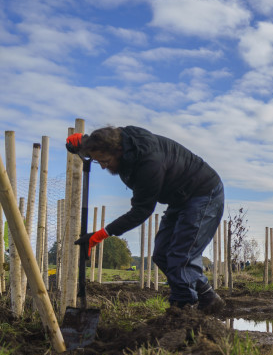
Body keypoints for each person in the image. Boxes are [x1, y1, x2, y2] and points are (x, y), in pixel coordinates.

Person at [67, 126, 225, 312]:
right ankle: (208, 297)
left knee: (181, 256)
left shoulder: (148, 163)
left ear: (118, 151)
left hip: (204, 193)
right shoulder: (121, 141)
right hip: (180, 198)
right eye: (98, 161)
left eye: (105, 161)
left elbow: (141, 211)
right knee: (162, 254)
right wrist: (82, 145)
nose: (102, 166)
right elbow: (98, 140)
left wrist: (100, 235)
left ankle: (183, 311)